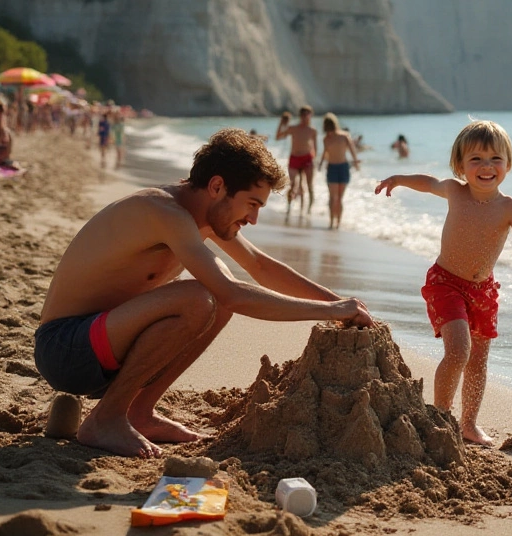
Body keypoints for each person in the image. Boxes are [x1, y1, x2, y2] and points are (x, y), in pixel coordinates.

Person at [35, 128, 374, 458]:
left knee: (215, 302)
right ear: (216, 186)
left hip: (104, 346)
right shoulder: (164, 212)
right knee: (202, 297)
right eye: (252, 204)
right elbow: (232, 293)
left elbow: (260, 266)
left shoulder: (207, 216)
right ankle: (105, 420)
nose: (253, 219)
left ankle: (139, 413)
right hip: (65, 348)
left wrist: (339, 303)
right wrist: (331, 312)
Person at [374, 120, 512, 446]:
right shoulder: (455, 190)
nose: (486, 166)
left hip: (484, 292)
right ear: (460, 166)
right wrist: (399, 179)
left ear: (508, 163)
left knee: (478, 361)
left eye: (495, 158)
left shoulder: (510, 208)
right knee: (459, 350)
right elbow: (428, 182)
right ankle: (441, 417)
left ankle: (469, 424)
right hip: (445, 283)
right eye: (476, 159)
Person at [317, 112, 360, 230]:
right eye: (327, 126)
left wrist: (356, 163)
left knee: (340, 198)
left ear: (334, 124)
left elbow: (352, 150)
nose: (328, 129)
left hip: (343, 168)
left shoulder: (344, 136)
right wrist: (320, 164)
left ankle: (338, 223)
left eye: (330, 126)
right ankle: (331, 221)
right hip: (332, 168)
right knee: (333, 197)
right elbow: (325, 153)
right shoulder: (326, 139)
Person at [275, 106, 318, 215]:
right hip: (295, 159)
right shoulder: (293, 128)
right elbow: (278, 137)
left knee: (309, 186)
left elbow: (315, 148)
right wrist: (281, 123)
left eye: (307, 115)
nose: (304, 117)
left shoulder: (312, 130)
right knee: (293, 184)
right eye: (303, 115)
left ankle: (308, 211)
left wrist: (314, 161)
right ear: (300, 116)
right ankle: (289, 207)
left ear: (310, 116)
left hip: (307, 159)